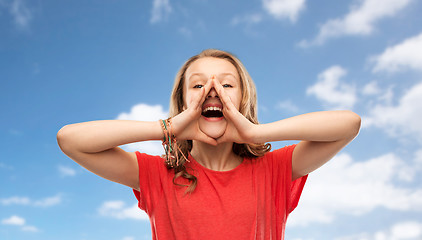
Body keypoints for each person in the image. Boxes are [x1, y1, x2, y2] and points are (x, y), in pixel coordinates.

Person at [57, 49, 361, 240]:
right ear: (183, 101)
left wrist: (255, 133)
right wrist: (170, 127)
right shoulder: (158, 174)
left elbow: (348, 124)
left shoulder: (275, 170)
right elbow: (70, 140)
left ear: (244, 100)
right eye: (198, 85)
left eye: (227, 85)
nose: (212, 91)